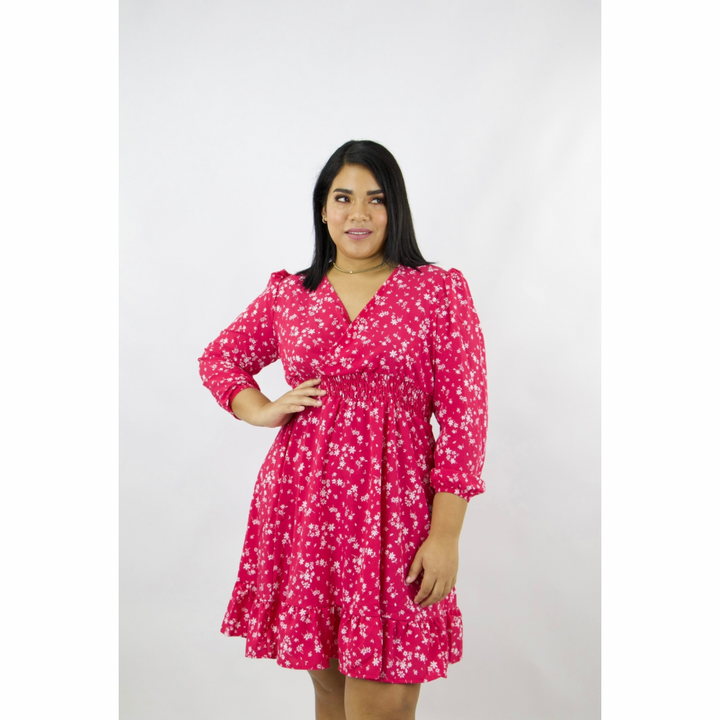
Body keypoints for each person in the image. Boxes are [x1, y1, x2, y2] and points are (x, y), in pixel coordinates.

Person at [198, 140, 488, 720]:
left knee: (385, 701)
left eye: (376, 199)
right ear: (323, 209)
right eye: (343, 198)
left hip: (397, 515)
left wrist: (446, 535)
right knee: (330, 694)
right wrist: (261, 409)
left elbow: (465, 419)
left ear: (395, 208)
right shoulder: (292, 293)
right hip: (307, 507)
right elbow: (220, 359)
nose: (359, 213)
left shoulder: (436, 291)